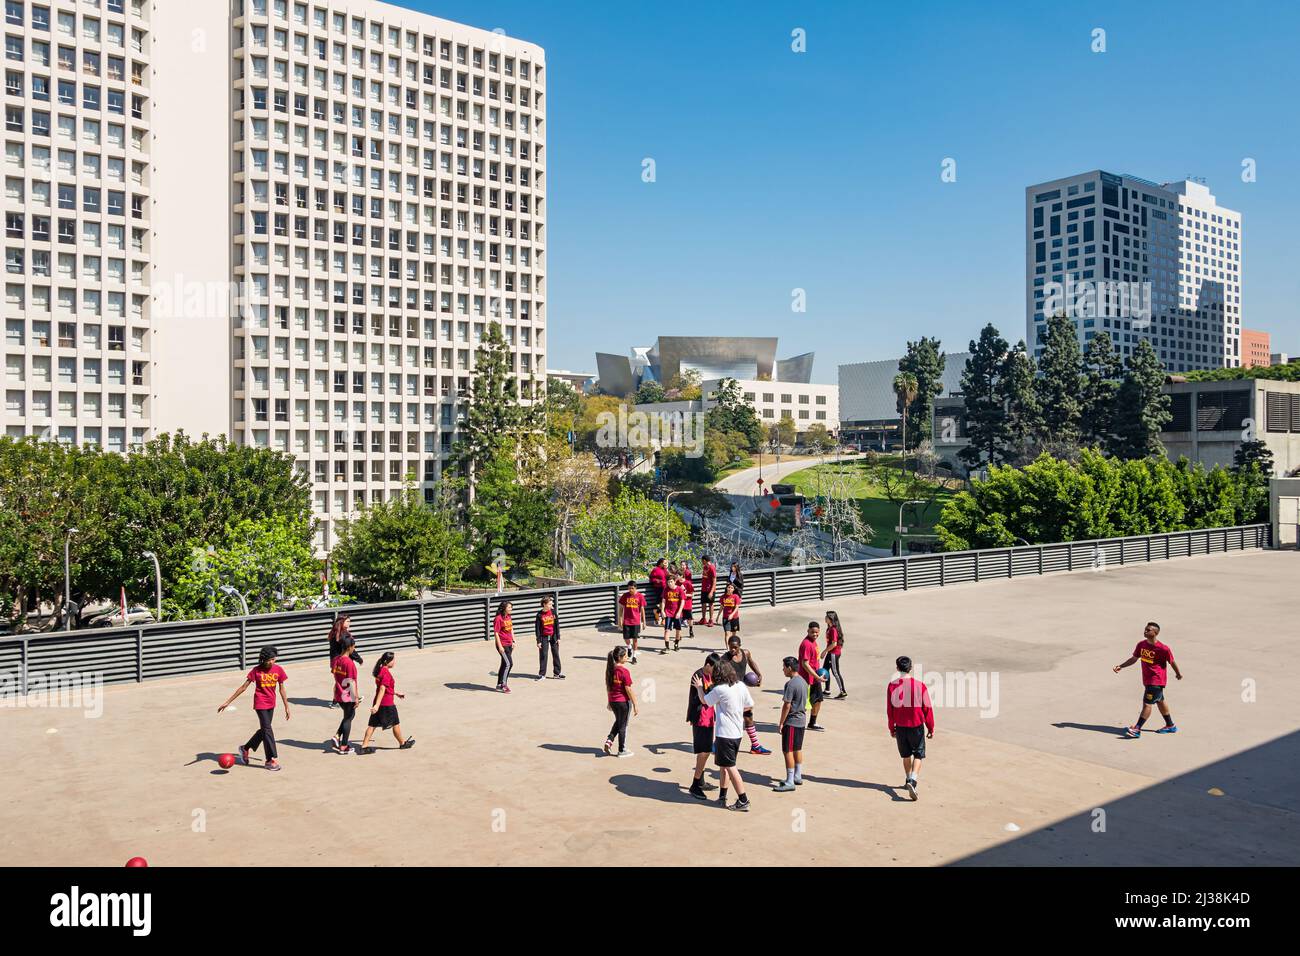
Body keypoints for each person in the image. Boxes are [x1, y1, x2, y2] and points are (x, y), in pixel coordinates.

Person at [692, 659, 753, 811]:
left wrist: (699, 687)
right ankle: (722, 796)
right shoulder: (741, 685)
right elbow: (750, 705)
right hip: (737, 733)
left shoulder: (720, 690)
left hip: (725, 734)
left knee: (730, 767)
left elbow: (704, 701)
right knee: (724, 766)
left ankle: (743, 799)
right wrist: (736, 710)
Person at [219, 645, 291, 772]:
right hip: (260, 703)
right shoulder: (256, 671)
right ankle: (270, 760)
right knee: (268, 730)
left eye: (274, 659)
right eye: (271, 660)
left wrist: (286, 706)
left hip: (271, 704)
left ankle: (245, 748)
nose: (273, 662)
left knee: (264, 730)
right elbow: (243, 687)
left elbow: (282, 689)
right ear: (264, 659)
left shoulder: (278, 669)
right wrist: (227, 702)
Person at [1114, 622, 1183, 737]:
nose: (1145, 631)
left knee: (1147, 704)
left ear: (1155, 633)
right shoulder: (1141, 645)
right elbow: (1134, 659)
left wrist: (1178, 674)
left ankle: (1137, 729)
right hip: (1147, 680)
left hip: (1156, 680)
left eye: (1148, 630)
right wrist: (1121, 666)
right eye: (1145, 629)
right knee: (1160, 701)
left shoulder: (1163, 648)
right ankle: (1170, 725)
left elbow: (1171, 661)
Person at [887, 655, 934, 800]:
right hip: (916, 725)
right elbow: (927, 708)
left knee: (905, 754)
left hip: (900, 725)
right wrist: (930, 727)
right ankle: (913, 780)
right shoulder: (920, 685)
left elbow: (890, 709)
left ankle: (907, 778)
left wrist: (891, 727)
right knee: (918, 754)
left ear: (897, 668)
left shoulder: (892, 685)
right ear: (911, 668)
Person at [359, 651, 415, 753]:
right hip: (386, 704)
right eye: (393, 660)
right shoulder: (386, 673)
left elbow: (385, 688)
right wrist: (377, 705)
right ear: (387, 661)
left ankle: (364, 746)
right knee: (396, 723)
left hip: (379, 701)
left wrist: (395, 693)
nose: (394, 662)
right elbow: (382, 689)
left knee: (372, 725)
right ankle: (403, 743)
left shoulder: (380, 670)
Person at [724, 634, 771, 755]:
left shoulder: (746, 653)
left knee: (748, 716)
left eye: (735, 647)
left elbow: (751, 662)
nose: (732, 650)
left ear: (740, 646)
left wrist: (759, 674)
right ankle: (718, 743)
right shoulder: (724, 659)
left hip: (742, 691)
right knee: (728, 719)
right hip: (731, 692)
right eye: (730, 647)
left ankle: (755, 746)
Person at [686, 653, 721, 800]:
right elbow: (703, 697)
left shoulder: (711, 676)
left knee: (705, 750)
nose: (716, 671)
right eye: (714, 668)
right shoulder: (698, 675)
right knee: (704, 751)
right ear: (708, 665)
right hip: (700, 718)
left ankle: (700, 781)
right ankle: (695, 785)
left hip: (708, 718)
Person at [772, 656, 809, 792]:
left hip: (792, 721)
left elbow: (787, 705)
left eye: (783, 667)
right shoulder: (803, 682)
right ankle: (798, 776)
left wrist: (781, 722)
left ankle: (789, 780)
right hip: (801, 720)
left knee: (787, 750)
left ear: (789, 668)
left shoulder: (791, 684)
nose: (782, 670)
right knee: (797, 748)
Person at [330, 634, 361, 754]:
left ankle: (337, 736)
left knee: (349, 716)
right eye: (354, 647)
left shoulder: (336, 660)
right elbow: (352, 682)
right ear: (349, 647)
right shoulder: (349, 663)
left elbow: (335, 675)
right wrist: (356, 698)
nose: (354, 649)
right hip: (347, 696)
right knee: (348, 718)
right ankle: (343, 746)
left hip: (338, 694)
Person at [604, 646, 638, 757]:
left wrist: (609, 701)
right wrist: (635, 703)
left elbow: (609, 686)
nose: (627, 657)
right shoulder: (624, 671)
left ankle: (609, 740)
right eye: (625, 655)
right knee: (623, 725)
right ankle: (622, 749)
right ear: (620, 657)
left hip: (613, 701)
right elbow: (628, 689)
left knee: (619, 721)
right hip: (623, 702)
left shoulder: (610, 669)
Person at [326, 614, 362, 707]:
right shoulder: (343, 634)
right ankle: (345, 699)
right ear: (341, 622)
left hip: (334, 661)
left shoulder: (334, 632)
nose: (350, 623)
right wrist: (359, 659)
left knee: (338, 680)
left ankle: (337, 700)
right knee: (347, 680)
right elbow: (350, 649)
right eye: (347, 621)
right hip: (342, 661)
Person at [798, 621, 827, 732]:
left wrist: (818, 675)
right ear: (808, 631)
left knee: (818, 700)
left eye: (816, 632)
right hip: (806, 679)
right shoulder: (806, 644)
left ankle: (812, 722)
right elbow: (805, 664)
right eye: (812, 632)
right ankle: (794, 723)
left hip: (815, 678)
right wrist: (816, 676)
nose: (814, 634)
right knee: (803, 704)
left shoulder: (814, 642)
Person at [535, 596, 564, 679]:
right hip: (543, 637)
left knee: (556, 654)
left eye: (552, 604)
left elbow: (557, 625)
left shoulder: (553, 612)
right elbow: (537, 629)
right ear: (544, 604)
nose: (552, 605)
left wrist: (558, 637)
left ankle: (557, 673)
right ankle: (542, 674)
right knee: (544, 655)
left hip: (553, 636)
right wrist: (538, 641)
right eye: (550, 604)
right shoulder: (539, 615)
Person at [618, 580, 646, 664]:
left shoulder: (640, 596)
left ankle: (634, 656)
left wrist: (644, 622)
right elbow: (621, 609)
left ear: (635, 588)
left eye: (632, 588)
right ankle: (629, 647)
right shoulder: (625, 596)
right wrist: (620, 620)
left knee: (635, 639)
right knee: (626, 638)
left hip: (636, 622)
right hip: (626, 621)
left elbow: (642, 610)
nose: (630, 590)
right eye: (629, 588)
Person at [823, 610, 846, 699]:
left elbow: (834, 644)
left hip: (833, 653)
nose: (825, 618)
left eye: (826, 617)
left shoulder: (833, 630)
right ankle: (827, 690)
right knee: (825, 669)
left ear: (830, 619)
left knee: (835, 672)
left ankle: (843, 692)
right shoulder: (829, 628)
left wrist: (824, 651)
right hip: (830, 652)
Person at [493, 600, 515, 693]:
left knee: (504, 664)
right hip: (502, 645)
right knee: (509, 664)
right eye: (509, 607)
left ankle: (499, 684)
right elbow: (496, 633)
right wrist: (500, 646)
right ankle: (503, 684)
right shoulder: (498, 619)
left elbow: (511, 629)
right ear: (504, 608)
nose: (511, 609)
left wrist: (513, 641)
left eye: (511, 607)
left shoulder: (508, 617)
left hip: (509, 643)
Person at [660, 573, 684, 654]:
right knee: (667, 630)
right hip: (668, 613)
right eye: (668, 582)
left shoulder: (679, 589)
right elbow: (663, 601)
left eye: (671, 582)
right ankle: (667, 647)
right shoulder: (665, 589)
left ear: (674, 581)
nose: (669, 583)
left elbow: (682, 602)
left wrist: (679, 612)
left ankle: (676, 644)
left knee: (678, 630)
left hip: (677, 613)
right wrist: (662, 611)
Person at [649, 558, 668, 625]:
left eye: (666, 563)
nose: (666, 564)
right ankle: (657, 618)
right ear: (660, 563)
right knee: (660, 605)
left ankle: (663, 620)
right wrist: (658, 581)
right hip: (659, 589)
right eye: (665, 563)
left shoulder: (665, 570)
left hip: (665, 589)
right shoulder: (655, 569)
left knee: (664, 605)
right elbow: (651, 578)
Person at [700, 554, 718, 627]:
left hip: (710, 589)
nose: (701, 562)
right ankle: (703, 619)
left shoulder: (712, 568)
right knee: (703, 603)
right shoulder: (704, 567)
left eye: (702, 560)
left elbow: (714, 581)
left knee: (711, 604)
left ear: (704, 560)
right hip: (704, 589)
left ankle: (711, 620)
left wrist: (711, 592)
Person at [680, 571, 696, 640]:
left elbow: (692, 594)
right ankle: (679, 634)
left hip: (687, 603)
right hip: (680, 604)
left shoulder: (688, 583)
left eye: (678, 576)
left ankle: (691, 630)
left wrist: (685, 594)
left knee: (689, 618)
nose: (676, 577)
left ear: (681, 576)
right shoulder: (677, 583)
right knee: (679, 619)